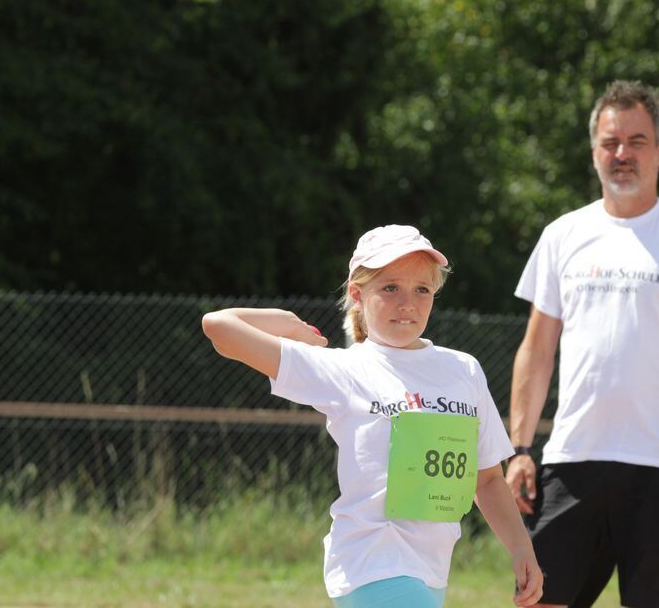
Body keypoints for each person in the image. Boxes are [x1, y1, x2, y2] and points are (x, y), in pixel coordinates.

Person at [202, 224, 543, 608]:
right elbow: (219, 326)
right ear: (357, 295)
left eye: (422, 290)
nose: (408, 303)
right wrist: (290, 325)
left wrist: (520, 549)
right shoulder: (346, 368)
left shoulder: (463, 370)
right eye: (390, 288)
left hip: (431, 570)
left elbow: (488, 479)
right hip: (370, 564)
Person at [505, 80, 659, 608]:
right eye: (611, 142)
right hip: (572, 460)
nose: (622, 153)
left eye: (636, 141)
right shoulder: (563, 235)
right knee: (539, 601)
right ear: (594, 153)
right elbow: (537, 349)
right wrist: (520, 449)